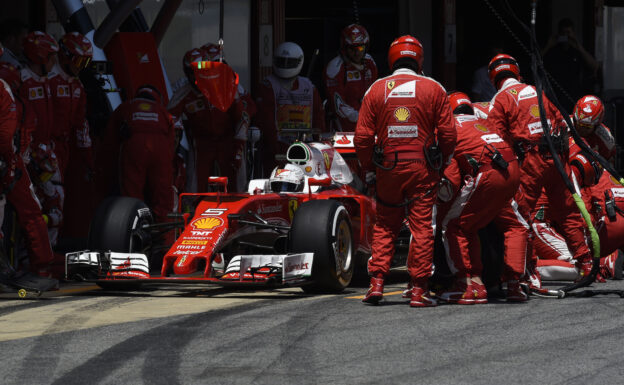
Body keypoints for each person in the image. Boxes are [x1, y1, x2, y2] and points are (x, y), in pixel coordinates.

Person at [354, 35, 456, 307]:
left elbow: (362, 138)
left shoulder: (375, 89)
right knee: (423, 227)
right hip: (423, 169)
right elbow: (448, 134)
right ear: (418, 59)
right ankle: (419, 290)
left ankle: (376, 284)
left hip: (387, 167)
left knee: (386, 225)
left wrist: (368, 168)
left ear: (392, 58)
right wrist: (443, 162)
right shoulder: (434, 87)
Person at [486, 53, 593, 299]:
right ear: (517, 72)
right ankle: (587, 263)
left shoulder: (500, 100)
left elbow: (493, 141)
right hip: (555, 155)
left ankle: (521, 275)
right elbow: (562, 123)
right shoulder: (538, 90)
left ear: (494, 78)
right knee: (567, 212)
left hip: (529, 162)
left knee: (521, 219)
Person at [437, 92, 520, 305]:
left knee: (452, 224)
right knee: (477, 226)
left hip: (486, 173)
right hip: (512, 171)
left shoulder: (447, 128)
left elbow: (451, 172)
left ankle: (465, 284)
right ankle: (506, 283)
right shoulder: (483, 122)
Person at [531, 95, 616, 281]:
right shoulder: (560, 127)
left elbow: (608, 168)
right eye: (579, 124)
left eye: (586, 127)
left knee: (583, 225)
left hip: (581, 188)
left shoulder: (605, 139)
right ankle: (519, 269)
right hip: (554, 196)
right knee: (577, 261)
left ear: (598, 124)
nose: (580, 129)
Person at [0, 53, 54, 278]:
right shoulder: (8, 94)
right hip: (11, 164)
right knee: (32, 214)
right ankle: (41, 267)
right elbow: (8, 136)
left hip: (11, 162)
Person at [168, 47, 249, 192]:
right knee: (194, 184)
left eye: (199, 71)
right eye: (191, 72)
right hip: (201, 143)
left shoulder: (226, 85)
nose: (195, 77)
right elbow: (169, 117)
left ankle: (239, 210)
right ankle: (194, 209)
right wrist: (173, 142)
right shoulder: (183, 93)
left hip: (229, 141)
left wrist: (239, 146)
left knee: (236, 180)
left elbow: (242, 117)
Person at [49, 32, 96, 239]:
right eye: (78, 60)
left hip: (65, 149)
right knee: (50, 197)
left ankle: (52, 246)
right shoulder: (46, 79)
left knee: (61, 197)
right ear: (65, 56)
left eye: (85, 62)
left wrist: (88, 157)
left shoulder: (77, 86)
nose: (80, 66)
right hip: (43, 147)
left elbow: (80, 123)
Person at [20, 31, 64, 248]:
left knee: (57, 199)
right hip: (28, 153)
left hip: (48, 150)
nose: (54, 62)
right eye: (50, 57)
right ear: (39, 56)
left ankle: (49, 250)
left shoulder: (46, 81)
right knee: (35, 203)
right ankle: (28, 255)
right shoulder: (21, 80)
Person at [255, 42, 326, 176]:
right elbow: (265, 121)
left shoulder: (309, 87)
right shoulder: (268, 85)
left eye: (290, 62)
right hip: (277, 149)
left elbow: (318, 118)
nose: (286, 66)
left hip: (307, 147)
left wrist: (318, 145)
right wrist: (274, 147)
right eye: (282, 62)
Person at [111, 85, 176, 223]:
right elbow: (172, 143)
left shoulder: (125, 106)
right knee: (162, 193)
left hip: (134, 145)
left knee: (132, 193)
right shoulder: (163, 111)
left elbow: (110, 140)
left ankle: (134, 227)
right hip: (161, 146)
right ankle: (165, 234)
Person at [324, 24, 377, 132]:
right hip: (341, 127)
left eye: (361, 48)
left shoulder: (370, 62)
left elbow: (375, 94)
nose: (357, 53)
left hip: (366, 124)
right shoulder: (335, 68)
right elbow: (338, 105)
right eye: (352, 49)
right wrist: (359, 117)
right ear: (344, 47)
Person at [543, 18, 599, 112]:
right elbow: (536, 63)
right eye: (563, 33)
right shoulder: (553, 50)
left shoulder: (577, 50)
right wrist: (549, 45)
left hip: (574, 96)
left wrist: (578, 45)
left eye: (568, 33)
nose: (565, 36)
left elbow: (594, 66)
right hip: (556, 95)